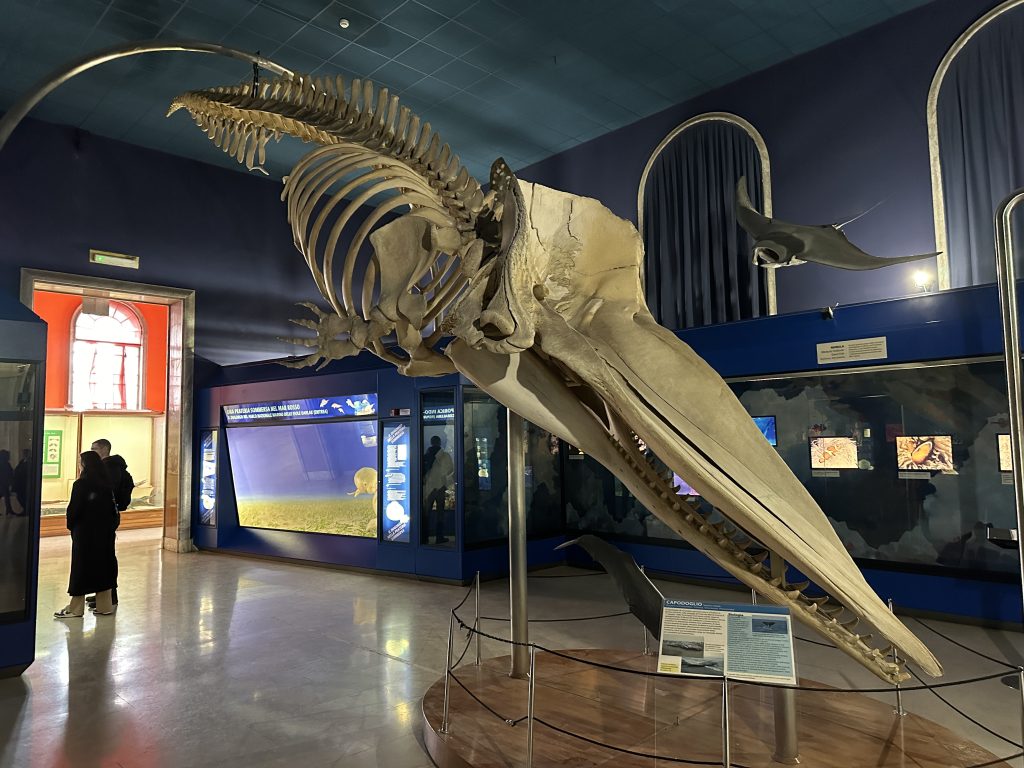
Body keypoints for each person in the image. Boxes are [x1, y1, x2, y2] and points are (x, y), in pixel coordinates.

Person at [54, 451, 118, 618]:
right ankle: (105, 606)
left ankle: (75, 608)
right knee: (104, 567)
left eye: (80, 462)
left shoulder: (81, 485)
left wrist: (72, 527)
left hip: (85, 534)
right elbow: (113, 511)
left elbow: (74, 510)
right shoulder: (106, 484)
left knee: (81, 569)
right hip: (105, 534)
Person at [89, 439, 133, 608]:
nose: (92, 451)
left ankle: (109, 595)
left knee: (105, 556)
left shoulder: (109, 468)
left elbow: (106, 492)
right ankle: (103, 593)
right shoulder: (110, 467)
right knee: (103, 556)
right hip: (106, 516)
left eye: (94, 448)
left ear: (104, 449)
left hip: (105, 517)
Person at [423, 435, 454, 544]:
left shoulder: (426, 456)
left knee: (426, 513)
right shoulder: (445, 456)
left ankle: (424, 536)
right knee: (440, 513)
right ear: (440, 443)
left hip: (428, 488)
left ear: (431, 443)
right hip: (440, 487)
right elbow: (450, 470)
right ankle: (439, 536)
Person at [11, 449, 29, 515]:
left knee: (23, 497)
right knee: (19, 496)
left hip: (24, 483)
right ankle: (25, 509)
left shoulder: (29, 462)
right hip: (20, 483)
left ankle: (26, 510)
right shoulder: (22, 461)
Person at [0, 449, 13, 516]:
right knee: (6, 496)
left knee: (6, 496)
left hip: (3, 482)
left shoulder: (4, 463)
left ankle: (9, 509)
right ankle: (9, 510)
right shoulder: (5, 464)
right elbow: (10, 472)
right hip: (4, 483)